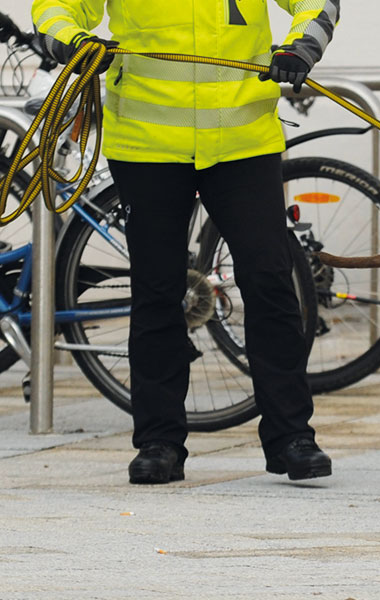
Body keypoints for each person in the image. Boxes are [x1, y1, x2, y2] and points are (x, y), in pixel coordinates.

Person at [31, 0, 340, 484]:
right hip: (147, 145)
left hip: (243, 143)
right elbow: (55, 7)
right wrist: (74, 42)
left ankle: (291, 437)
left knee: (269, 279)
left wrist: (303, 46)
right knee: (158, 291)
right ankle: (159, 443)